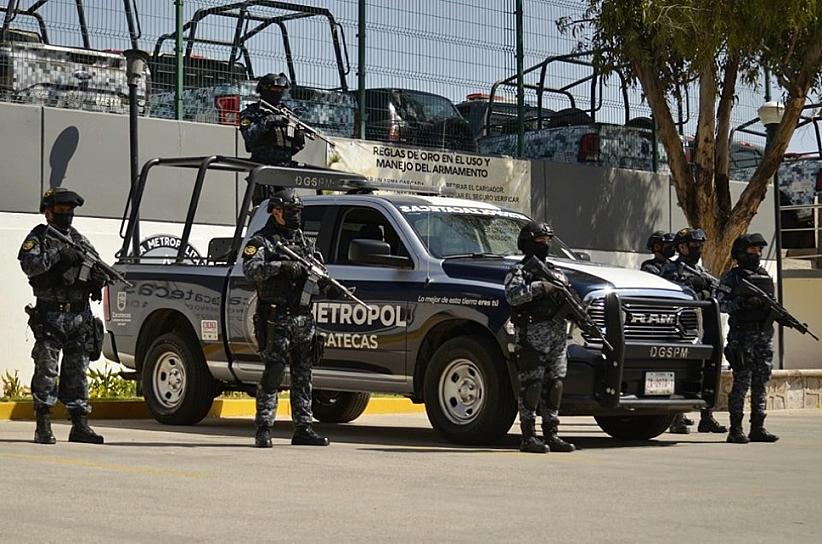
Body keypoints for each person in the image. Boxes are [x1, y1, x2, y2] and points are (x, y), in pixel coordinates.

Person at [242, 189, 341, 448]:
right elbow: (250, 270)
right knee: (274, 373)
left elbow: (317, 272)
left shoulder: (303, 241)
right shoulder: (262, 240)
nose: (296, 216)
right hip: (276, 317)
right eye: (292, 211)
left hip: (303, 318)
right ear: (277, 211)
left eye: (298, 212)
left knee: (303, 373)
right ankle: (264, 428)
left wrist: (328, 288)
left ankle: (303, 428)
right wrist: (281, 267)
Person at [18, 187, 106, 445]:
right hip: (51, 317)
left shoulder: (79, 240)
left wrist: (95, 280)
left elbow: (96, 263)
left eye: (70, 212)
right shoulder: (39, 237)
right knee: (46, 371)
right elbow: (29, 265)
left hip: (79, 318)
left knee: (77, 373)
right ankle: (43, 425)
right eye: (61, 211)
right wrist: (59, 255)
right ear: (48, 212)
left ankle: (79, 425)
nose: (66, 216)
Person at [504, 221, 576, 454]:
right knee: (532, 384)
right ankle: (529, 436)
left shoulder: (557, 272)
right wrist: (538, 287)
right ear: (527, 243)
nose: (544, 245)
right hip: (533, 334)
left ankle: (552, 433)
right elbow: (512, 296)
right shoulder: (519, 271)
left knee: (555, 383)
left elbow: (571, 297)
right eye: (539, 241)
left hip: (557, 335)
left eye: (547, 241)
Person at [662, 227, 727, 435]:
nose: (698, 248)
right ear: (681, 247)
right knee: (680, 372)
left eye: (700, 245)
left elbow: (719, 298)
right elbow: (667, 293)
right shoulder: (670, 269)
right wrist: (688, 284)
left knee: (705, 371)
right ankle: (677, 418)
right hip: (680, 328)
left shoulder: (702, 271)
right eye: (694, 245)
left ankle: (707, 417)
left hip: (702, 327)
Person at [717, 233, 781, 444]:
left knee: (760, 382)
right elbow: (720, 303)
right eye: (752, 250)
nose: (757, 254)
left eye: (759, 250)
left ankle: (758, 427)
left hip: (763, 335)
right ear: (741, 253)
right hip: (742, 337)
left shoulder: (763, 275)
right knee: (742, 381)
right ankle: (735, 429)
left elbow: (773, 302)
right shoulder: (732, 277)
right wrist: (742, 303)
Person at [239, 73, 306, 205]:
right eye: (275, 90)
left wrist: (298, 132)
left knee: (289, 208)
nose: (278, 93)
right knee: (263, 209)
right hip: (263, 170)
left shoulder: (287, 113)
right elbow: (250, 136)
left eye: (281, 90)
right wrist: (269, 121)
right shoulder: (252, 112)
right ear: (264, 89)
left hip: (285, 171)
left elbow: (298, 146)